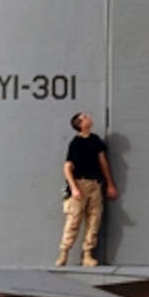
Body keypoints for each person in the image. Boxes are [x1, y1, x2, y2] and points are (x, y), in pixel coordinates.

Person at [55, 112, 118, 267]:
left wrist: (109, 183)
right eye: (85, 117)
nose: (89, 117)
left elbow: (103, 162)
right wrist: (74, 188)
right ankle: (64, 253)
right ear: (80, 124)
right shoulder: (75, 144)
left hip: (95, 185)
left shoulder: (95, 140)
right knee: (73, 220)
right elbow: (67, 167)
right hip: (79, 183)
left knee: (94, 219)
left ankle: (88, 255)